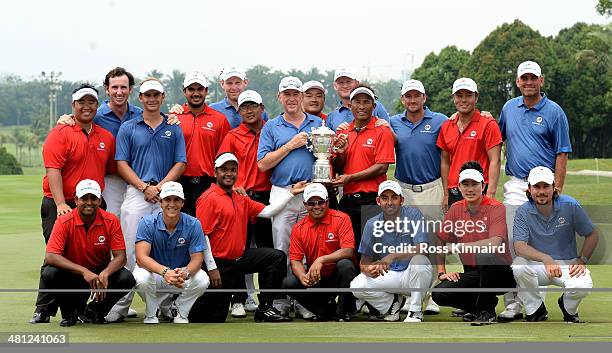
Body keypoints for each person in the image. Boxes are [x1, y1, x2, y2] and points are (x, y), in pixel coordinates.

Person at [31, 84, 116, 324]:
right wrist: (60, 203)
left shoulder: (106, 137)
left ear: (97, 106)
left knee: (89, 258)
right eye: (82, 102)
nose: (86, 107)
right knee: (55, 256)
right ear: (73, 106)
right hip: (61, 202)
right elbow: (53, 170)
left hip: (93, 203)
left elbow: (108, 169)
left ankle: (77, 309)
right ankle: (43, 309)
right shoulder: (60, 133)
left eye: (91, 102)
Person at [190, 153, 307, 323]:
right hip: (219, 264)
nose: (229, 173)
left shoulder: (240, 198)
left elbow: (268, 212)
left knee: (276, 258)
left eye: (233, 170)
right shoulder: (208, 198)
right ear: (215, 172)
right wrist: (212, 268)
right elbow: (203, 236)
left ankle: (265, 308)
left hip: (240, 259)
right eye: (224, 170)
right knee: (212, 317)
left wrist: (290, 193)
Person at [497, 61, 572, 321]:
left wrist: (557, 188)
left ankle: (532, 301)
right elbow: (496, 137)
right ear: (517, 82)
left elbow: (562, 152)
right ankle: (513, 302)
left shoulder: (554, 111)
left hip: (544, 186)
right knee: (512, 244)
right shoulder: (509, 108)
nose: (528, 82)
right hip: (517, 185)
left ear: (541, 80)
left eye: (533, 78)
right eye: (524, 78)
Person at [107, 78, 187, 322]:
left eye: (156, 95)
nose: (151, 99)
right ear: (140, 99)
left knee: (164, 251)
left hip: (167, 193)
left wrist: (160, 188)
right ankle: (120, 306)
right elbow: (121, 163)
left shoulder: (174, 127)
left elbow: (180, 162)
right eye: (147, 96)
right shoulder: (129, 127)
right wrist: (145, 187)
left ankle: (163, 306)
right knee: (130, 251)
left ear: (162, 98)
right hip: (137, 192)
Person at [34, 179, 135, 326]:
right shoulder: (63, 221)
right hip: (73, 274)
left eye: (93, 198)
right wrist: (83, 271)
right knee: (50, 273)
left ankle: (94, 311)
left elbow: (121, 257)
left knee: (126, 278)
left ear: (100, 200)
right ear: (76, 200)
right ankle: (69, 313)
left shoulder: (111, 220)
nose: (89, 202)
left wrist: (106, 272)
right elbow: (50, 256)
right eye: (84, 198)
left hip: (99, 274)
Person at [389, 79, 448, 314]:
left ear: (424, 98)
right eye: (408, 96)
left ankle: (431, 294)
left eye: (417, 96)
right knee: (405, 240)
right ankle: (410, 293)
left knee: (434, 243)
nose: (412, 100)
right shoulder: (393, 122)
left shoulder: (440, 120)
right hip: (403, 189)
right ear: (402, 99)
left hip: (432, 187)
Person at [432, 161, 515, 326]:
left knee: (484, 252)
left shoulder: (496, 208)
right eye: (465, 184)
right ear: (459, 187)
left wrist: (458, 247)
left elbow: (494, 243)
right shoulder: (456, 209)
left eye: (475, 184)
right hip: (473, 273)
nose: (470, 189)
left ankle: (486, 310)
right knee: (439, 294)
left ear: (483, 185)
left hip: (500, 273)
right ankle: (478, 307)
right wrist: (442, 272)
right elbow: (440, 239)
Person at [511, 166, 597, 323]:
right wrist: (546, 258)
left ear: (554, 187)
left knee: (583, 285)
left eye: (546, 186)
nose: (541, 191)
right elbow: (519, 246)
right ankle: (535, 309)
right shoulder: (522, 211)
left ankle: (568, 308)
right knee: (519, 265)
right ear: (529, 189)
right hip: (537, 266)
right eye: (537, 186)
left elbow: (592, 234)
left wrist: (582, 260)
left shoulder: (570, 205)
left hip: (567, 264)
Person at [56, 67, 143, 218]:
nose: (119, 92)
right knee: (110, 219)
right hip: (110, 179)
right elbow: (79, 117)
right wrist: (65, 119)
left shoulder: (139, 115)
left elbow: (158, 121)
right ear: (107, 89)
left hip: (137, 177)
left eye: (123, 87)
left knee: (134, 223)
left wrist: (174, 115)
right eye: (114, 87)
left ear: (130, 89)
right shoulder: (97, 115)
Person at [218, 90, 272, 316]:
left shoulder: (271, 130)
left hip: (266, 197)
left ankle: (268, 300)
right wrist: (232, 188)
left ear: (262, 108)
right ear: (238, 111)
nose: (249, 111)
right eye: (244, 107)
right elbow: (221, 168)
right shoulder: (232, 135)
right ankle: (238, 298)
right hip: (240, 197)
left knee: (268, 251)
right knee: (238, 250)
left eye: (253, 106)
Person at [350, 180, 432, 323]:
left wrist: (392, 256)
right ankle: (392, 305)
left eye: (394, 197)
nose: (389, 202)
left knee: (420, 261)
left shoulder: (414, 215)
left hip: (412, 275)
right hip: (389, 274)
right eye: (385, 198)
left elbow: (423, 248)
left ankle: (415, 310)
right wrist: (369, 270)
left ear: (402, 200)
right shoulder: (371, 224)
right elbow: (364, 263)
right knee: (356, 286)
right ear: (378, 201)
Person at [133, 182, 209, 324]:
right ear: (160, 203)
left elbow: (197, 259)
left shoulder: (194, 224)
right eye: (168, 199)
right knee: (140, 277)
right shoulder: (147, 222)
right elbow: (141, 257)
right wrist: (165, 272)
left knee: (202, 279)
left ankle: (180, 311)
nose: (172, 204)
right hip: (156, 275)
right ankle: (151, 313)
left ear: (182, 203)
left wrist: (185, 273)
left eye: (176, 200)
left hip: (180, 276)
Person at [332, 86, 395, 251]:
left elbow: (382, 167)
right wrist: (342, 153)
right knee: (348, 250)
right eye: (357, 102)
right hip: (347, 200)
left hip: (372, 201)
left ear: (374, 106)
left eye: (366, 102)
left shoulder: (382, 130)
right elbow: (339, 167)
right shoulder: (344, 132)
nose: (361, 106)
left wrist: (351, 178)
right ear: (350, 105)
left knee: (371, 254)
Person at [282, 183, 357, 321]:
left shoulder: (342, 218)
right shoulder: (299, 228)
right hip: (316, 278)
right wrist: (302, 276)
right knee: (289, 283)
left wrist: (321, 260)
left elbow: (348, 250)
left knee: (346, 265)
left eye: (321, 202)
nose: (316, 206)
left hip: (337, 275)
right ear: (305, 205)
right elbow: (295, 260)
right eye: (311, 203)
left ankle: (342, 313)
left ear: (327, 202)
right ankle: (324, 310)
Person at [437, 78, 502, 206]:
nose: (464, 100)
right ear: (453, 98)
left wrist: (490, 195)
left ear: (476, 97)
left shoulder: (488, 124)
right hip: (455, 192)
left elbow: (495, 160)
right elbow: (445, 162)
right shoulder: (447, 126)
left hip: (479, 190)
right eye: (459, 96)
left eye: (468, 95)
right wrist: (446, 194)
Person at [175, 72, 231, 216]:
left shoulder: (219, 119)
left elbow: (225, 156)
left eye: (199, 89)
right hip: (180, 183)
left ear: (206, 91)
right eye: (191, 89)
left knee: (207, 230)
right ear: (184, 91)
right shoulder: (174, 118)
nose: (196, 93)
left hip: (208, 183)